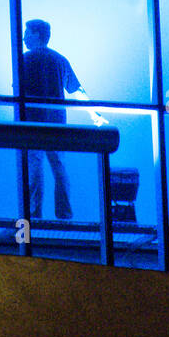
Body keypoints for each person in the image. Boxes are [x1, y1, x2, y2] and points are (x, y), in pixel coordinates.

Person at [19, 19, 105, 220]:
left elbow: (18, 94)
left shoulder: (24, 60)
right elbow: (77, 90)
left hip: (32, 124)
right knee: (59, 168)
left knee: (34, 167)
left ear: (37, 35)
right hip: (57, 123)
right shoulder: (59, 60)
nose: (23, 37)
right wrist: (95, 115)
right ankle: (64, 215)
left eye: (27, 33)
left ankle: (34, 215)